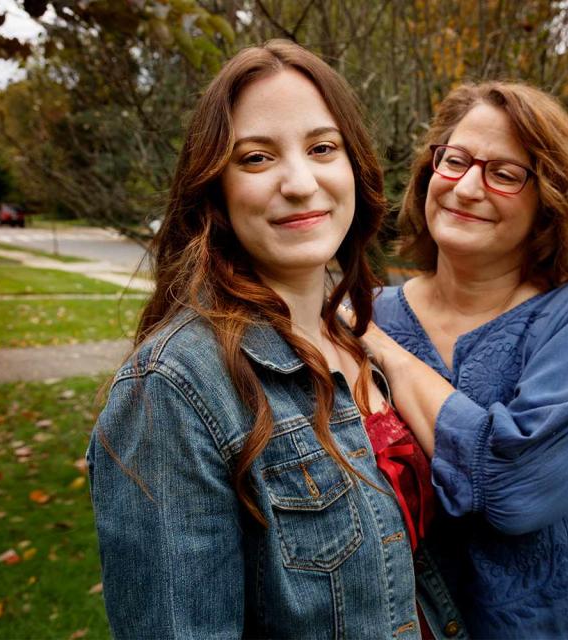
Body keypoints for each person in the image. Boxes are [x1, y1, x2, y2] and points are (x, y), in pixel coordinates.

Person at [87, 41, 465, 639]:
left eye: (322, 148)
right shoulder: (172, 390)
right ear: (216, 190)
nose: (299, 182)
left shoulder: (357, 341)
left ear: (354, 168)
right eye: (257, 158)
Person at [358, 82, 568, 639]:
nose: (466, 187)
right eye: (454, 161)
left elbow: (514, 485)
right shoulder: (371, 312)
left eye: (504, 174)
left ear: (548, 200)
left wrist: (388, 356)